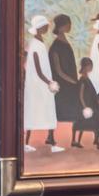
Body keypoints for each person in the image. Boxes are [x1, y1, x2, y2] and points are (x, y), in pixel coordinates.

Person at [22, 15, 59, 153]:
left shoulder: (38, 43)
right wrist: (49, 82)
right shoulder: (36, 45)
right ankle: (27, 143)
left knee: (47, 110)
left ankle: (51, 139)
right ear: (39, 28)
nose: (48, 27)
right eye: (45, 25)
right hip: (38, 85)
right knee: (34, 110)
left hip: (41, 84)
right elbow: (38, 69)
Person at [46, 14, 76, 148]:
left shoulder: (65, 42)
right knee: (55, 109)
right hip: (62, 84)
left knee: (74, 109)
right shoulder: (55, 47)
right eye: (68, 24)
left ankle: (74, 137)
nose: (70, 26)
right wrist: (71, 80)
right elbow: (58, 70)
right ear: (62, 26)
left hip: (70, 82)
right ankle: (50, 136)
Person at [70, 58, 99, 149]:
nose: (91, 67)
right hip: (85, 106)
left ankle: (94, 141)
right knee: (80, 124)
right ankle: (75, 141)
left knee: (93, 123)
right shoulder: (82, 79)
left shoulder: (86, 78)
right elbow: (81, 95)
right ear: (86, 67)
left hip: (90, 105)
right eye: (90, 65)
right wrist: (85, 107)